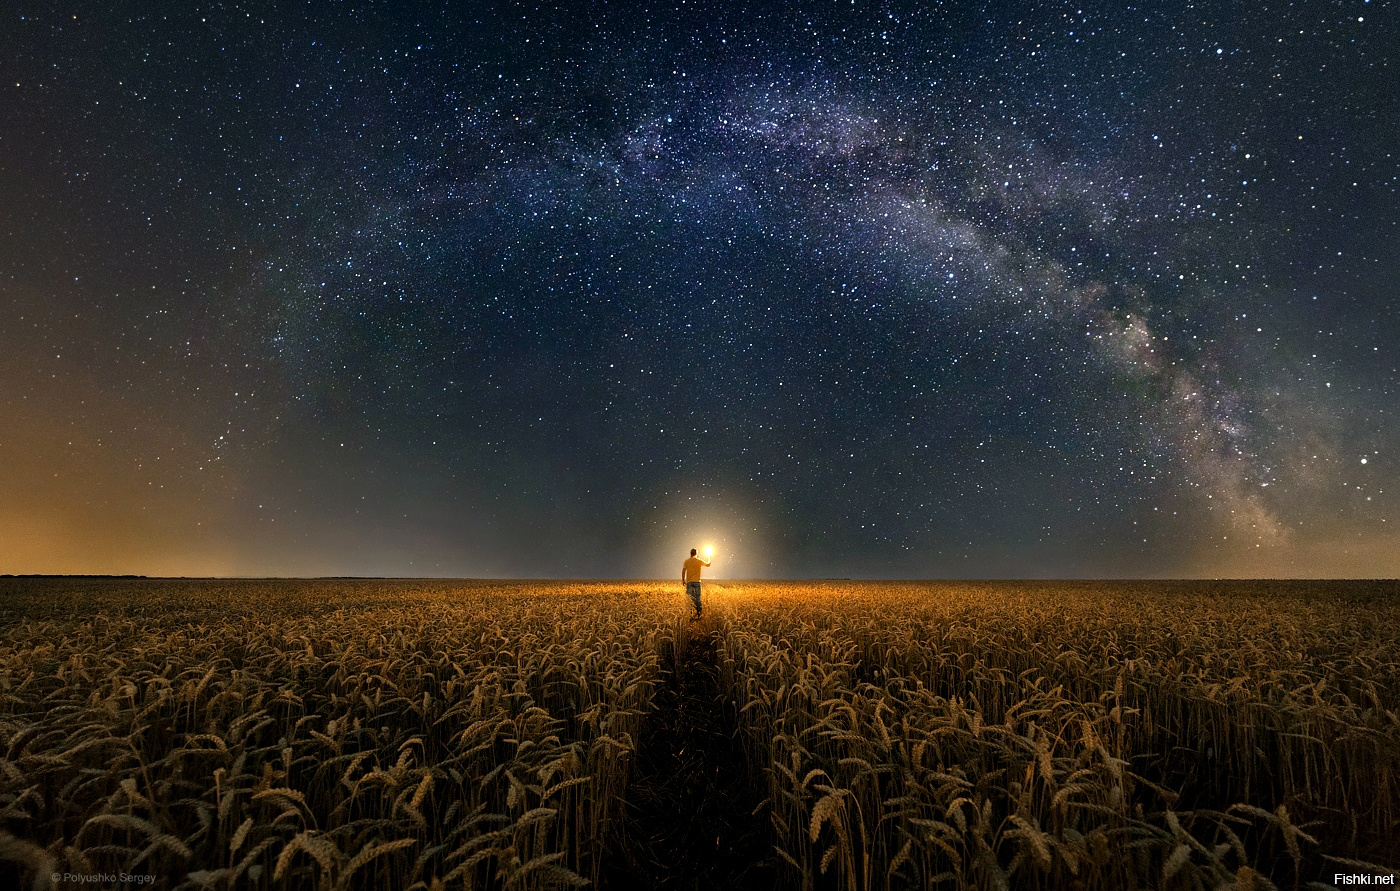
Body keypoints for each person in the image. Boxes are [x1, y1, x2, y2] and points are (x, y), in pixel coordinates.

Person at [681, 547, 711, 618]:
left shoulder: (686, 561)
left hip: (689, 582)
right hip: (697, 582)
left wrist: (683, 580)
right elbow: (708, 564)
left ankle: (690, 614)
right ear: (696, 554)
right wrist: (709, 556)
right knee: (698, 598)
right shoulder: (699, 561)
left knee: (690, 599)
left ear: (690, 554)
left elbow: (683, 571)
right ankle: (699, 614)